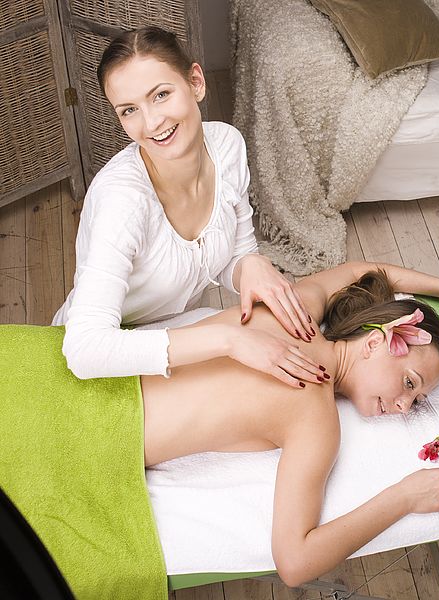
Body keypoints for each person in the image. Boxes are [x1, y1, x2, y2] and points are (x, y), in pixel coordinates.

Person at [141, 260, 439, 586]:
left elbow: (359, 271)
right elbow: (295, 562)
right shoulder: (316, 421)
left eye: (415, 401)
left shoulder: (295, 308)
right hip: (102, 433)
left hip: (104, 375)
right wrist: (405, 497)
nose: (403, 406)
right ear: (375, 341)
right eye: (409, 383)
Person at [52, 26, 322, 387]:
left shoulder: (226, 146)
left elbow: (234, 252)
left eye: (161, 95)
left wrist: (252, 264)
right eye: (129, 110)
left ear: (196, 82)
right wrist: (228, 340)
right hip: (103, 363)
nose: (151, 123)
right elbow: (85, 349)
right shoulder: (123, 203)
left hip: (173, 337)